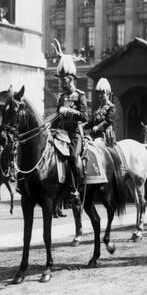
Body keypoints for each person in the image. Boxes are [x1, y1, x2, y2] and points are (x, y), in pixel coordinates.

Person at [53, 41, 88, 202]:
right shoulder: (61, 97)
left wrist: (68, 111)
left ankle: (76, 188)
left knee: (73, 157)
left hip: (74, 134)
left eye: (64, 79)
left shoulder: (80, 95)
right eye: (61, 79)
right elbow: (56, 117)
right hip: (61, 133)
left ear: (71, 79)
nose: (61, 82)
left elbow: (84, 117)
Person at [85, 77, 116, 147]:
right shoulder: (99, 109)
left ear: (108, 93)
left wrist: (98, 127)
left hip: (105, 137)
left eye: (102, 93)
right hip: (94, 135)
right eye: (99, 93)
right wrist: (82, 125)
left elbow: (108, 121)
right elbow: (91, 122)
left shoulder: (111, 107)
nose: (100, 96)